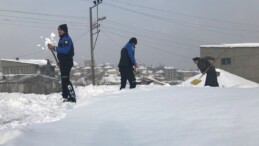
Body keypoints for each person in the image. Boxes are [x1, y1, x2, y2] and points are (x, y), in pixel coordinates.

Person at [47, 24, 76, 102]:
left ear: (64, 30)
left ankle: (72, 97)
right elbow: (62, 53)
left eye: (60, 30)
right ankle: (65, 96)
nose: (59, 31)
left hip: (67, 62)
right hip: (63, 62)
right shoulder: (62, 39)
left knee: (66, 79)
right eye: (58, 30)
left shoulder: (66, 39)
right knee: (64, 80)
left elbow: (65, 50)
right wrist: (60, 62)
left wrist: (53, 48)